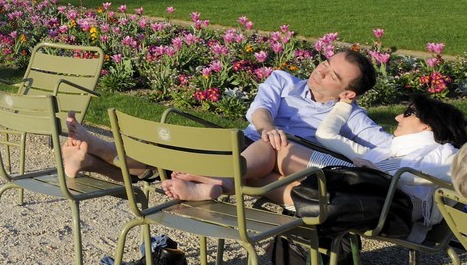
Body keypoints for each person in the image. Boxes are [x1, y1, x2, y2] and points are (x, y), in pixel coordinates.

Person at [63, 50, 383, 191]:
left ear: (348, 94)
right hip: (247, 143)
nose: (321, 71)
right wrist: (267, 127)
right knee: (160, 159)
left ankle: (92, 153)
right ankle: (93, 153)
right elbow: (261, 109)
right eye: (325, 62)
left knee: (157, 168)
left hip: (270, 160)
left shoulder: (351, 116)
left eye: (333, 75)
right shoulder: (284, 80)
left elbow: (388, 148)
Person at [241, 94, 467, 225]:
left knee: (276, 150)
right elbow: (326, 136)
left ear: (428, 124)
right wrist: (344, 105)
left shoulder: (446, 153)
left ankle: (218, 176)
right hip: (355, 187)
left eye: (408, 113)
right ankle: (220, 181)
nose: (398, 116)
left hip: (378, 201)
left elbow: (449, 176)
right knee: (260, 176)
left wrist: (380, 172)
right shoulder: (387, 149)